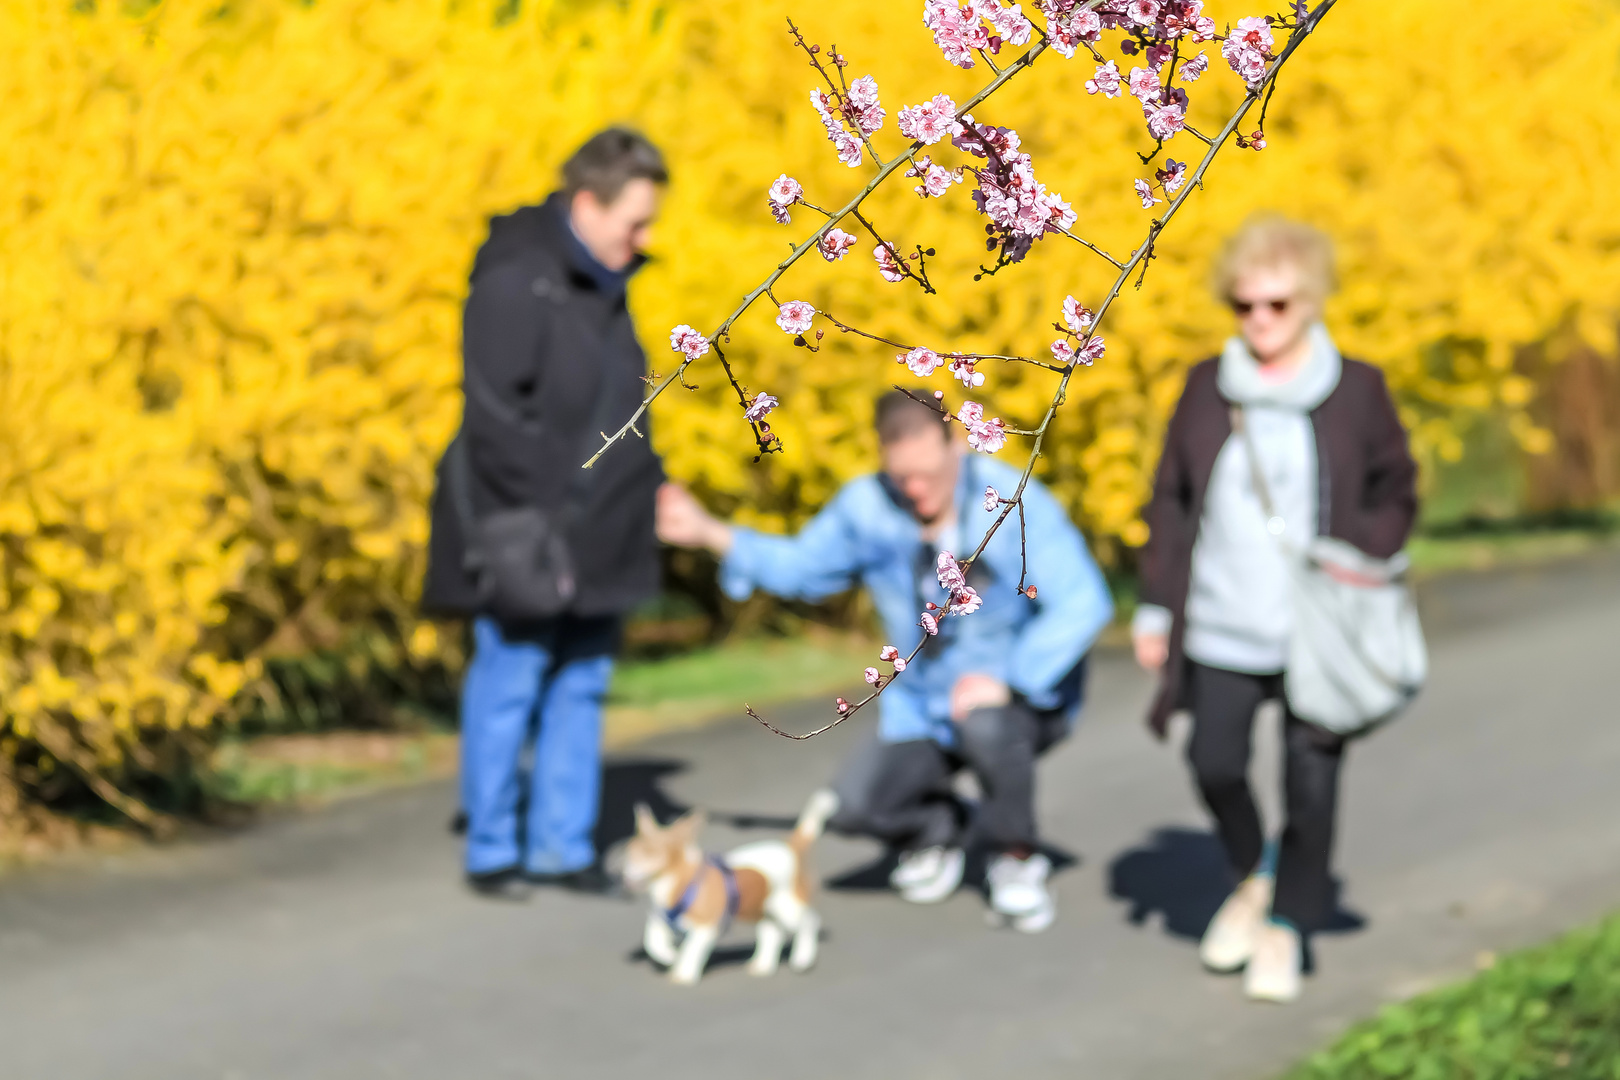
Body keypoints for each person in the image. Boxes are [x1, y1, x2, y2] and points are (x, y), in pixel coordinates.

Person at [656, 391, 1113, 932]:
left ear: (957, 446)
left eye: (926, 474)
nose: (914, 489)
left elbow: (1085, 602)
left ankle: (1013, 855)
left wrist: (1007, 680)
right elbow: (803, 567)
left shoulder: (1011, 497)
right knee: (854, 805)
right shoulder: (867, 505)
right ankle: (940, 833)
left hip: (1017, 698)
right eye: (901, 478)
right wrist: (714, 535)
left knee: (989, 728)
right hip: (922, 705)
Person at [1132, 214, 1417, 1000]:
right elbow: (1170, 501)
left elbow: (1397, 490)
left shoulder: (1355, 389)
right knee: (1212, 763)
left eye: (1278, 305)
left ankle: (1287, 922)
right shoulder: (1204, 387)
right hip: (1222, 623)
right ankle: (1253, 874)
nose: (1259, 320)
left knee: (1311, 781)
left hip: (1317, 631)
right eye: (1244, 305)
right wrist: (1158, 609)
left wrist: (1358, 556)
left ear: (1312, 303)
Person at [422, 129, 669, 899]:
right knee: (513, 674)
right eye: (635, 222)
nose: (645, 239)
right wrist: (546, 523)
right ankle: (494, 848)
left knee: (582, 681)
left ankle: (564, 847)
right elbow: (497, 419)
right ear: (587, 204)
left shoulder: (604, 280)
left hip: (603, 526)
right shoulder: (516, 277)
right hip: (526, 525)